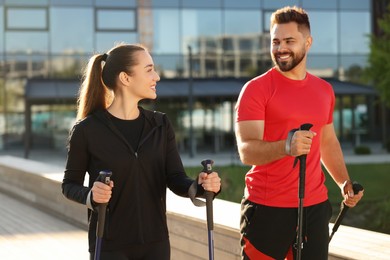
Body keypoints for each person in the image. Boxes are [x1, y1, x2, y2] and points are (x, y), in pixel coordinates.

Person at [62, 43, 221, 260]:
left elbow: (175, 178)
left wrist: (200, 186)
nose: (156, 76)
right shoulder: (87, 130)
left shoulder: (160, 124)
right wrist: (91, 195)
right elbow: (69, 185)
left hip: (156, 245)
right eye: (149, 69)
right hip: (109, 246)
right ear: (125, 78)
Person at [234, 6, 364, 260]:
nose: (280, 48)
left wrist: (344, 182)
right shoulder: (256, 89)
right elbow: (246, 150)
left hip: (314, 207)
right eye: (275, 41)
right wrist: (286, 146)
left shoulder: (324, 90)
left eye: (289, 41)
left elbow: (327, 141)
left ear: (308, 41)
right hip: (267, 208)